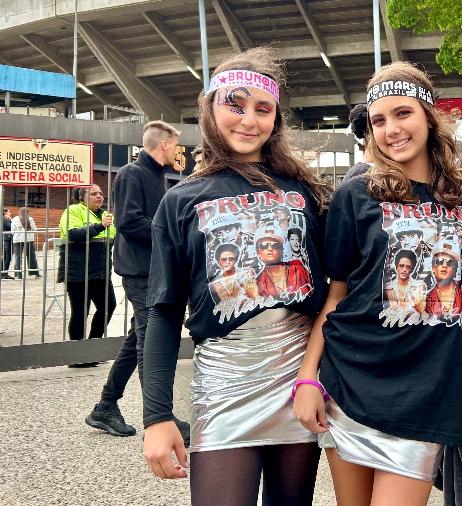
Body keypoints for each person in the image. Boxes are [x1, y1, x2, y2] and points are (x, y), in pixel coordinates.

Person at [292, 61, 462, 506]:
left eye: (403, 114)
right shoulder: (357, 192)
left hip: (425, 391)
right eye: (379, 120)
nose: (391, 129)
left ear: (428, 116)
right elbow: (337, 295)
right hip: (350, 380)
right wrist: (307, 379)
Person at [141, 47, 331, 505]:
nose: (249, 120)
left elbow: (335, 293)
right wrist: (156, 417)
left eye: (262, 109)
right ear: (210, 108)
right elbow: (163, 312)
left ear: (276, 118)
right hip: (223, 386)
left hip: (296, 383)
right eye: (235, 105)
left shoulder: (305, 193)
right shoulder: (180, 201)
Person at [84, 120, 192, 440]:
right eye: (175, 145)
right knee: (150, 341)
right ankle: (159, 420)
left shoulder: (158, 177)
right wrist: (170, 234)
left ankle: (105, 406)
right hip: (138, 270)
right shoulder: (133, 173)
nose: (178, 150)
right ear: (163, 146)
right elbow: (129, 221)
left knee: (138, 338)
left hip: (151, 268)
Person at [57, 185, 116, 368]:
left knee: (108, 306)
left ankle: (92, 348)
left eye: (101, 193)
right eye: (94, 194)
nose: (100, 196)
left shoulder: (105, 215)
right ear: (82, 197)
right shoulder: (74, 210)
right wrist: (100, 226)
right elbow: (73, 234)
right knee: (80, 312)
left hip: (99, 271)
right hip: (78, 271)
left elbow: (112, 240)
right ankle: (77, 356)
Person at [384, 249, 427, 315]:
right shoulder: (388, 287)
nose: (404, 270)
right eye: (401, 266)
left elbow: (421, 311)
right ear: (396, 267)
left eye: (408, 267)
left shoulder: (419, 286)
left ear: (411, 269)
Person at [11, 207, 39, 278]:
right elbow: (34, 229)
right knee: (31, 256)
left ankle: (18, 274)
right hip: (28, 239)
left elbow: (12, 232)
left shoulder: (14, 219)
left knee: (18, 257)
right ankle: (34, 272)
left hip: (17, 240)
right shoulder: (30, 219)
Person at [2, 208, 13, 279]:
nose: (10, 213)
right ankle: (4, 273)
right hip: (6, 239)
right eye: (9, 211)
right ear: (5, 213)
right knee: (7, 257)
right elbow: (11, 227)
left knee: (6, 257)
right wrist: (11, 220)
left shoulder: (6, 220)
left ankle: (3, 273)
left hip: (7, 239)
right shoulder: (3, 220)